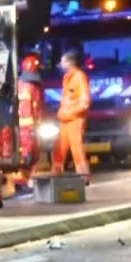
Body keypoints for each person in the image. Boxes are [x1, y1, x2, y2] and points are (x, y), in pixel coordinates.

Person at [52, 50, 92, 180]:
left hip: (75, 119)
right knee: (59, 148)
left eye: (62, 61)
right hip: (65, 119)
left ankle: (83, 176)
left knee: (77, 149)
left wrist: (70, 113)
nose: (60, 64)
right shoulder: (67, 78)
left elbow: (85, 102)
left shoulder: (79, 77)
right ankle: (56, 175)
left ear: (70, 62)